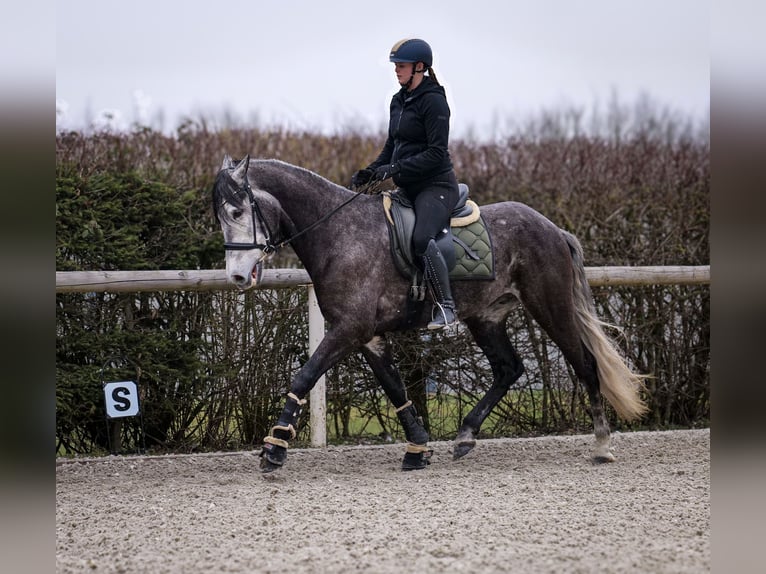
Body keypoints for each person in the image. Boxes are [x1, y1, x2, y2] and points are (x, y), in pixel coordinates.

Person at [351, 38, 459, 330]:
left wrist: (395, 168)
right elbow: (392, 145)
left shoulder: (434, 101)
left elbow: (436, 153)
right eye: (396, 66)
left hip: (435, 186)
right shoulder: (398, 100)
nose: (396, 70)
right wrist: (372, 171)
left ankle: (446, 307)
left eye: (402, 66)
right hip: (407, 188)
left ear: (419, 67)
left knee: (422, 238)